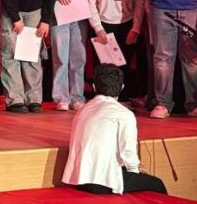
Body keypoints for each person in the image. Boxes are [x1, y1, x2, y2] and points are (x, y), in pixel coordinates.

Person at [62, 64, 167, 195]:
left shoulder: (82, 110)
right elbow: (127, 150)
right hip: (102, 182)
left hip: (78, 178)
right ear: (122, 87)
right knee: (156, 184)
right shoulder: (123, 113)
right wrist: (134, 169)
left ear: (94, 87)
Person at [86, 0, 144, 102]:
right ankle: (102, 98)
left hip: (126, 25)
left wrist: (135, 28)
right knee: (103, 66)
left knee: (123, 65)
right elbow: (90, 3)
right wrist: (98, 28)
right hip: (103, 26)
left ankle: (121, 99)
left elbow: (139, 4)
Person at [50, 0, 90, 111]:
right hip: (59, 17)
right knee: (60, 57)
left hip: (78, 18)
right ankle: (61, 97)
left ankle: (77, 97)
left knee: (78, 58)